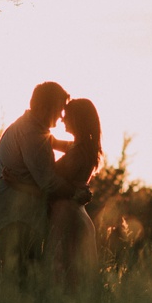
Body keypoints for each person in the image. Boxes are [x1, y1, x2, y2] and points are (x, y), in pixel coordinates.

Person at [0, 82, 81, 281]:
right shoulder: (30, 133)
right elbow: (48, 183)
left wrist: (85, 146)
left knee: (23, 279)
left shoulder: (34, 129)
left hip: (16, 217)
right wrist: (75, 191)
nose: (61, 116)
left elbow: (59, 144)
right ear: (45, 108)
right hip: (14, 218)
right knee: (23, 280)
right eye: (59, 109)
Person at [46, 98, 101, 290]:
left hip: (67, 214)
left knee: (65, 267)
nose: (62, 120)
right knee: (72, 269)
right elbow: (50, 141)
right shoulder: (82, 146)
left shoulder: (78, 151)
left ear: (77, 119)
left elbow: (49, 177)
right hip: (74, 213)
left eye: (66, 116)